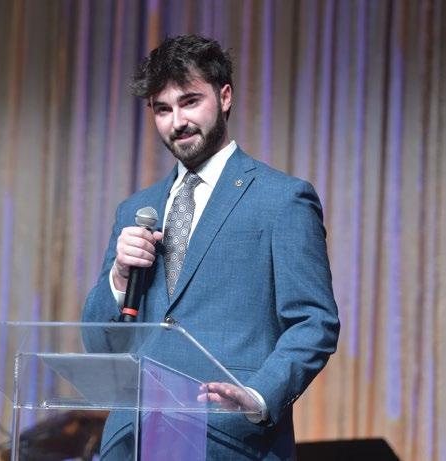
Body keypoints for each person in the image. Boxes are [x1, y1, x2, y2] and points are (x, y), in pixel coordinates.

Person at [82, 34, 340, 461]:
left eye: (190, 102)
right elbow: (98, 347)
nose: (177, 121)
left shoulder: (282, 199)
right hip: (133, 441)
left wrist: (259, 395)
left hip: (230, 438)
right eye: (162, 109)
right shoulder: (137, 210)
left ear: (224, 97)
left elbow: (314, 322)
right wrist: (118, 278)